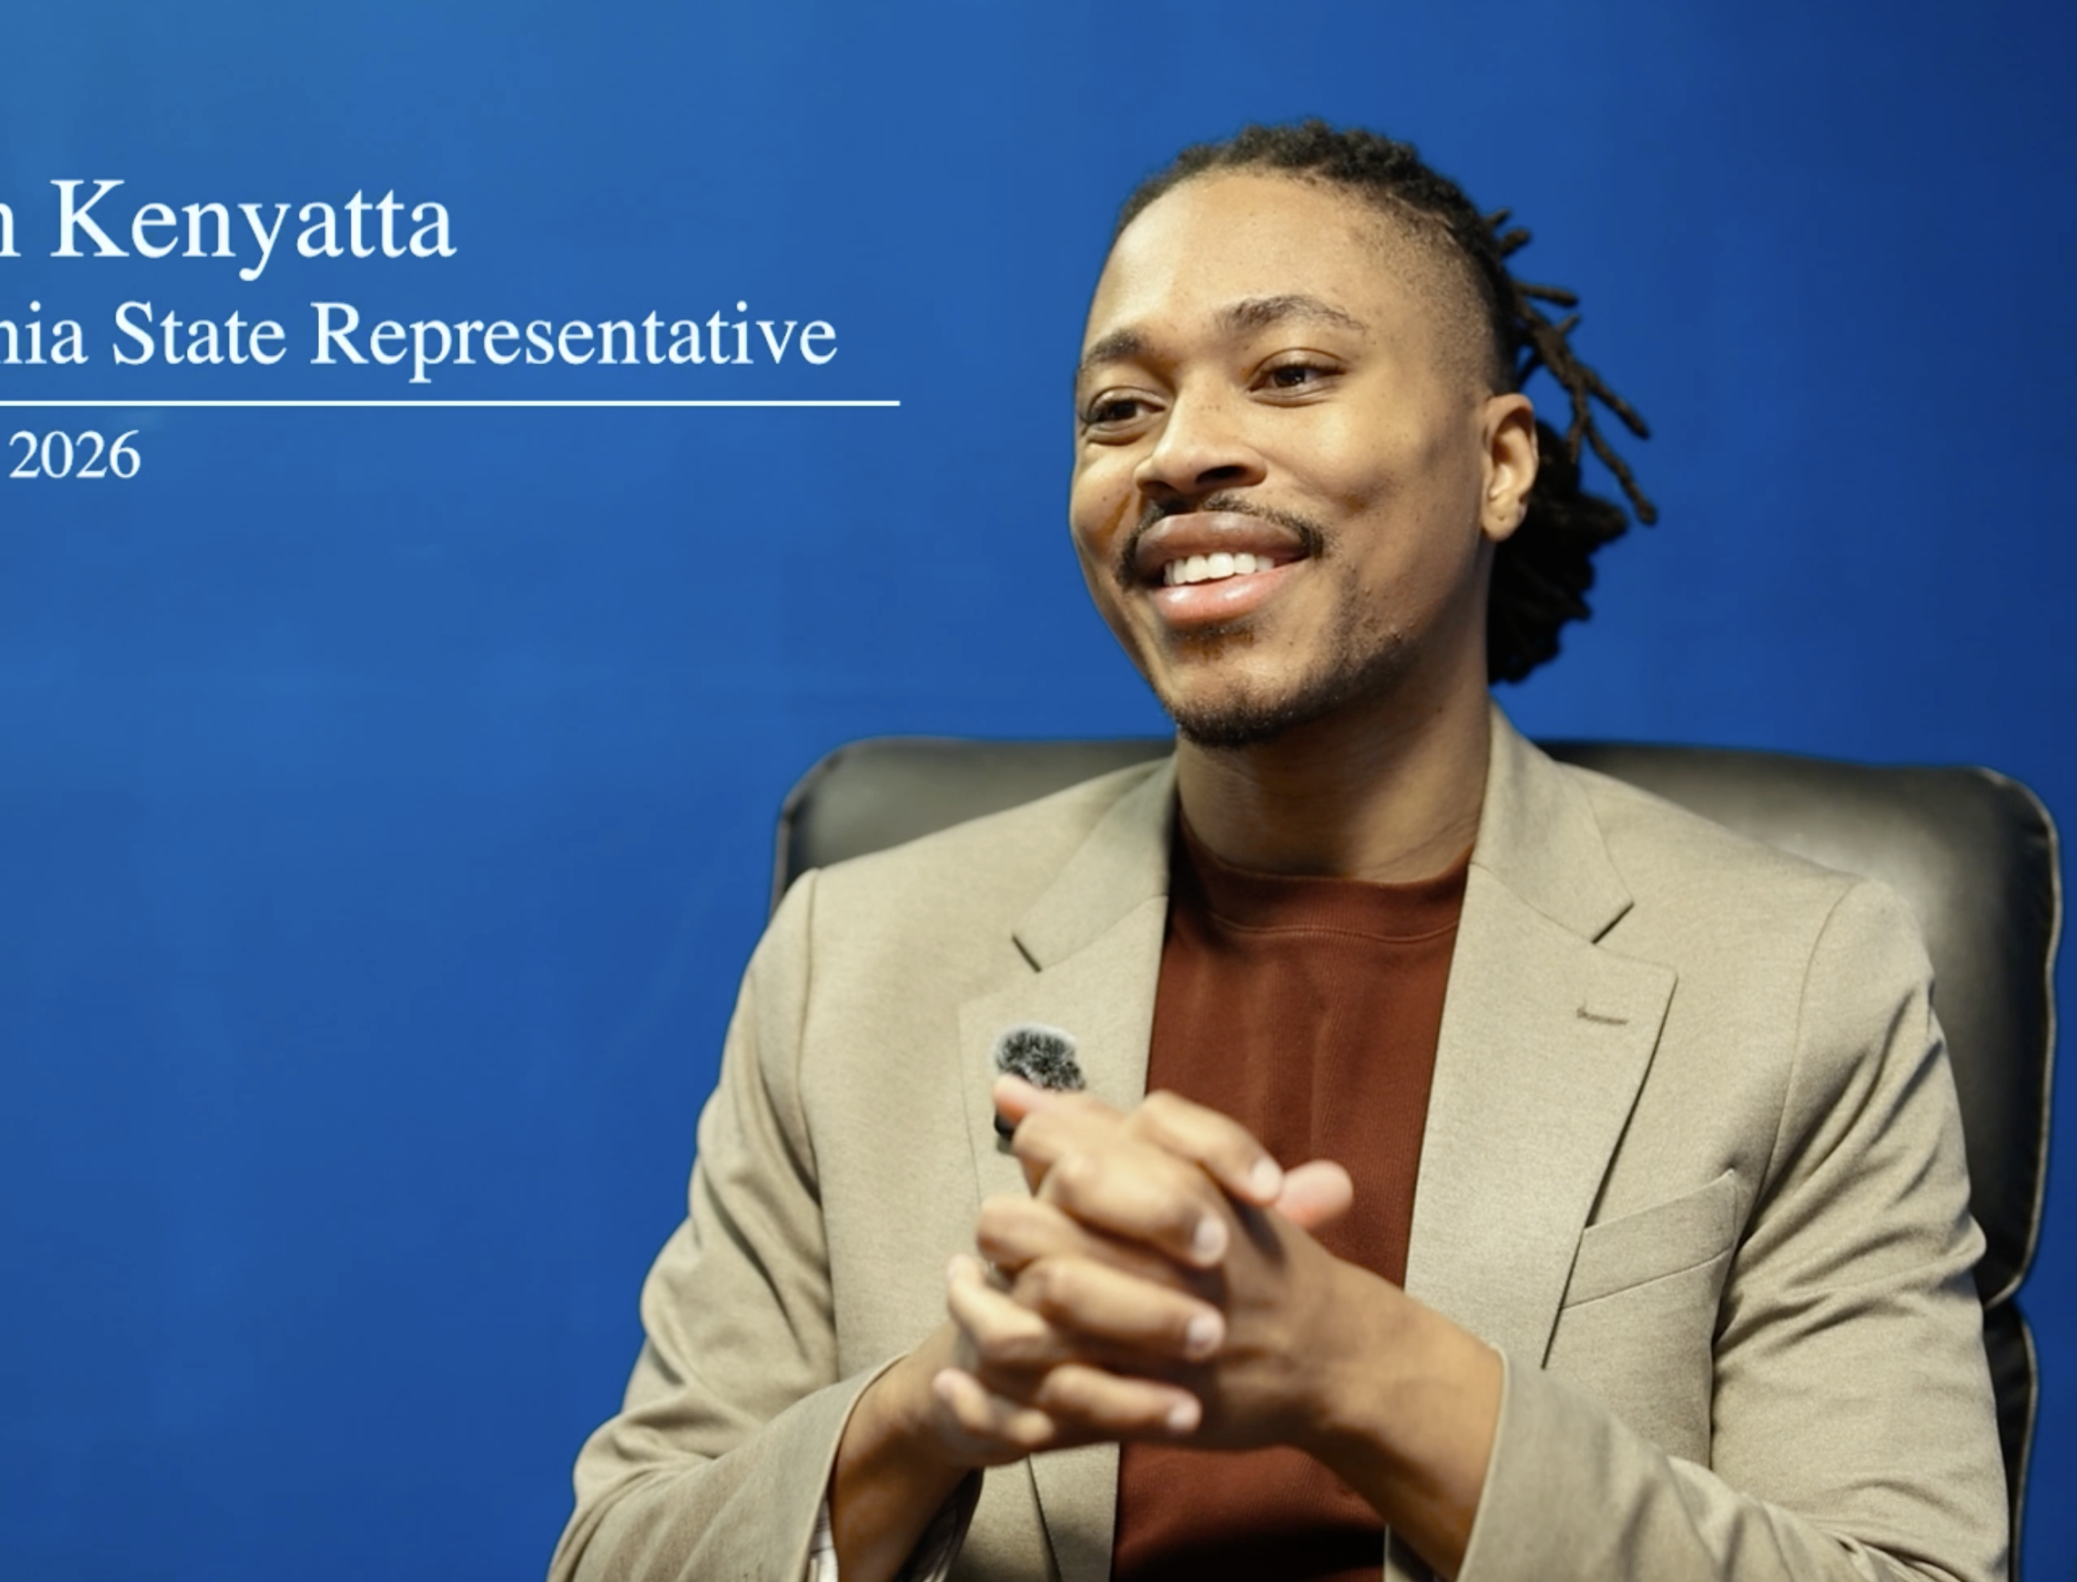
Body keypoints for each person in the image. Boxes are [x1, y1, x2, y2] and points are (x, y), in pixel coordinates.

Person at [549, 122, 2008, 1582]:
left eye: (1292, 373)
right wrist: (936, 1406)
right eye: (1119, 410)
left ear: (1501, 463)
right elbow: (620, 1553)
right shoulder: (850, 958)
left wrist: (1362, 1370)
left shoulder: (1800, 974)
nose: (1179, 453)